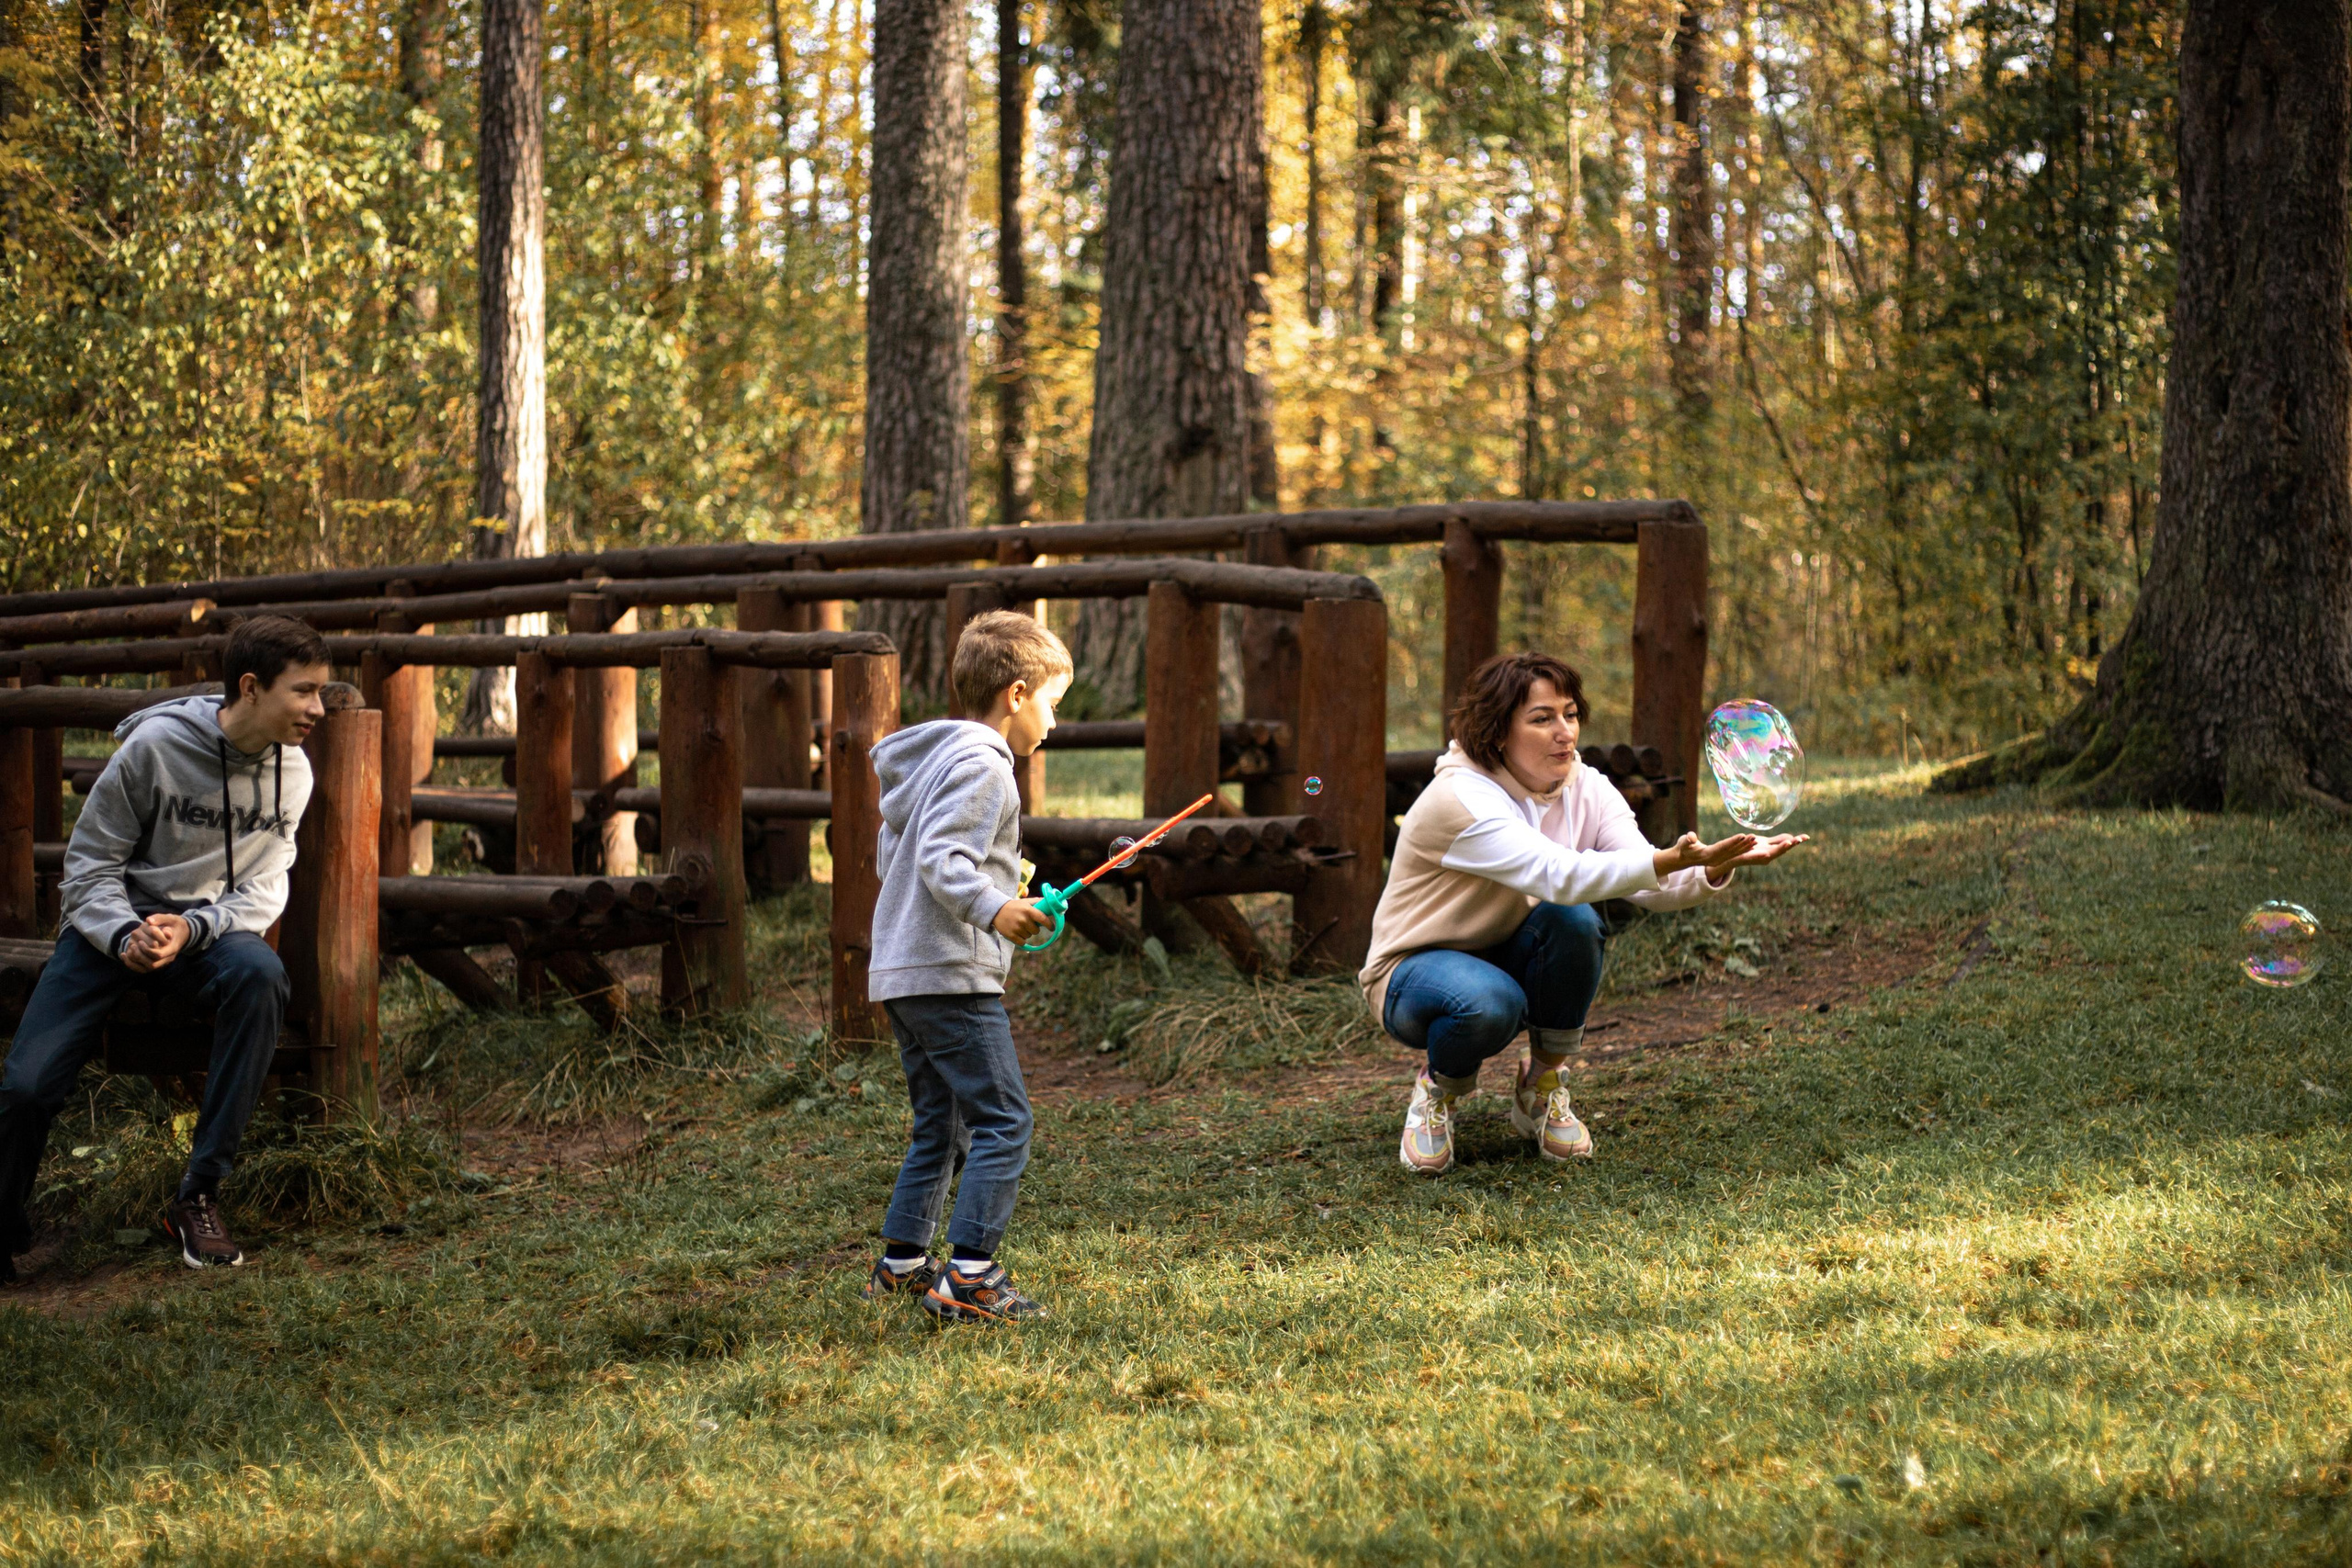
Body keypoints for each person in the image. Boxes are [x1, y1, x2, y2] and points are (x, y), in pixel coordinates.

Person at [1363, 651, 1807, 1175]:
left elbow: (1643, 881)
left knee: (1574, 922)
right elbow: (1559, 874)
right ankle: (1439, 1089)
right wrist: (1668, 858)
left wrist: (1710, 867)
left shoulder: (1588, 787)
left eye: (1570, 714)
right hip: (1412, 973)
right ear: (1499, 732)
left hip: (1505, 950)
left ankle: (1541, 1087)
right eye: (1542, 718)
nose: (1564, 732)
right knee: (1490, 1000)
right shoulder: (1460, 798)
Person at [0, 615, 331, 1280]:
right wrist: (125, 932)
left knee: (261, 976)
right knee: (28, 1084)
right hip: (108, 930)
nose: (318, 709)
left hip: (205, 934)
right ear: (250, 687)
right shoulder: (152, 749)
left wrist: (195, 927)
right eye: (304, 692)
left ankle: (198, 1195)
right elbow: (89, 868)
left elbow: (267, 886)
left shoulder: (292, 773)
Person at [862, 610, 1071, 1325]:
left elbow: (898, 859)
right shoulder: (985, 764)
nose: (1053, 723)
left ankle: (901, 1266)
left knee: (940, 1125)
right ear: (1015, 694)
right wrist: (995, 906)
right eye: (1051, 704)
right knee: (1005, 1119)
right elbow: (942, 860)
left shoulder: (933, 762)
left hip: (905, 972)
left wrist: (998, 887)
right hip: (951, 975)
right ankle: (972, 1277)